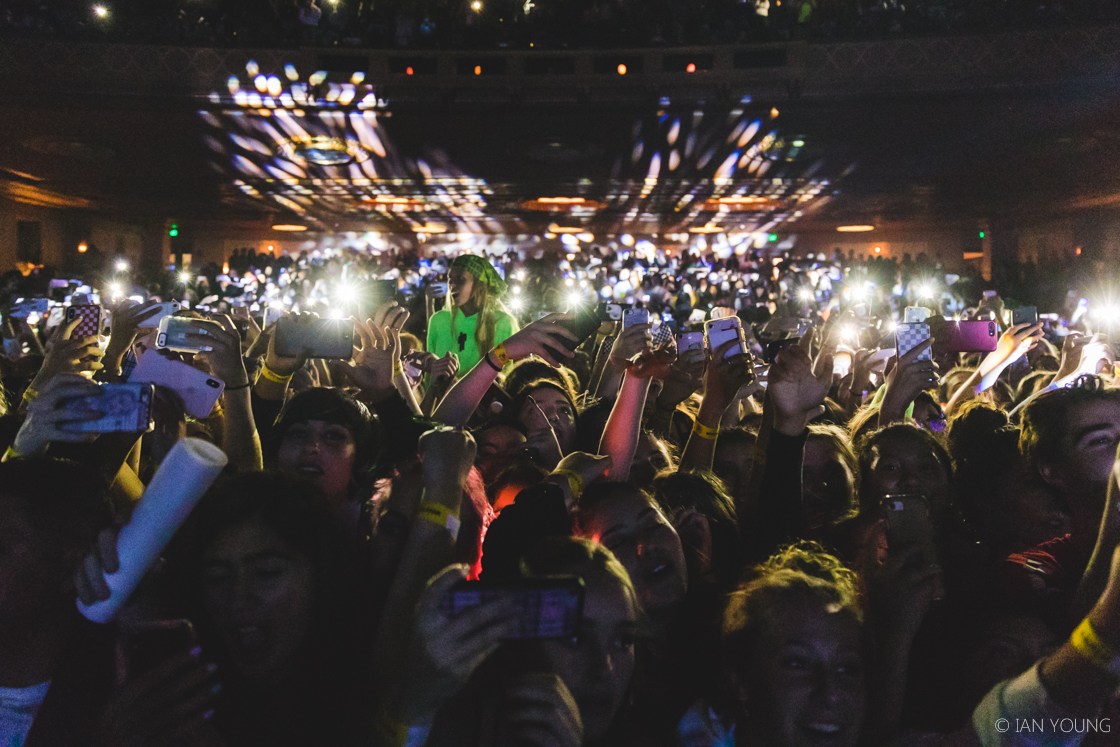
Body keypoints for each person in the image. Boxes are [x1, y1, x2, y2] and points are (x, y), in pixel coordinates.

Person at [427, 255, 518, 376]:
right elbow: (430, 376)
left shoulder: (503, 323)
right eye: (450, 280)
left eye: (460, 279)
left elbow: (505, 375)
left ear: (480, 284)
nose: (452, 285)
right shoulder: (438, 321)